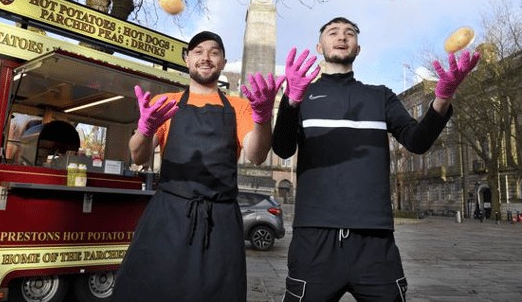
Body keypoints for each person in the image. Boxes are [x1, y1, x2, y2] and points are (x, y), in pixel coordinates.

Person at [273, 17, 480, 302]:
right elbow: (282, 149)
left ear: (358, 48)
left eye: (350, 33)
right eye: (333, 32)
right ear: (319, 46)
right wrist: (290, 103)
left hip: (374, 241)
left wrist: (442, 98)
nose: (342, 37)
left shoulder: (380, 97)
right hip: (314, 240)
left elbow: (417, 141)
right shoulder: (303, 95)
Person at [112, 31, 284, 302]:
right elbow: (138, 156)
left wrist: (262, 118)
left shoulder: (239, 107)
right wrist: (145, 130)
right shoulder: (165, 103)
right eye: (198, 51)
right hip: (168, 217)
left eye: (214, 52)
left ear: (223, 62)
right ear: (187, 59)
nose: (206, 57)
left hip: (221, 222)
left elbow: (256, 154)